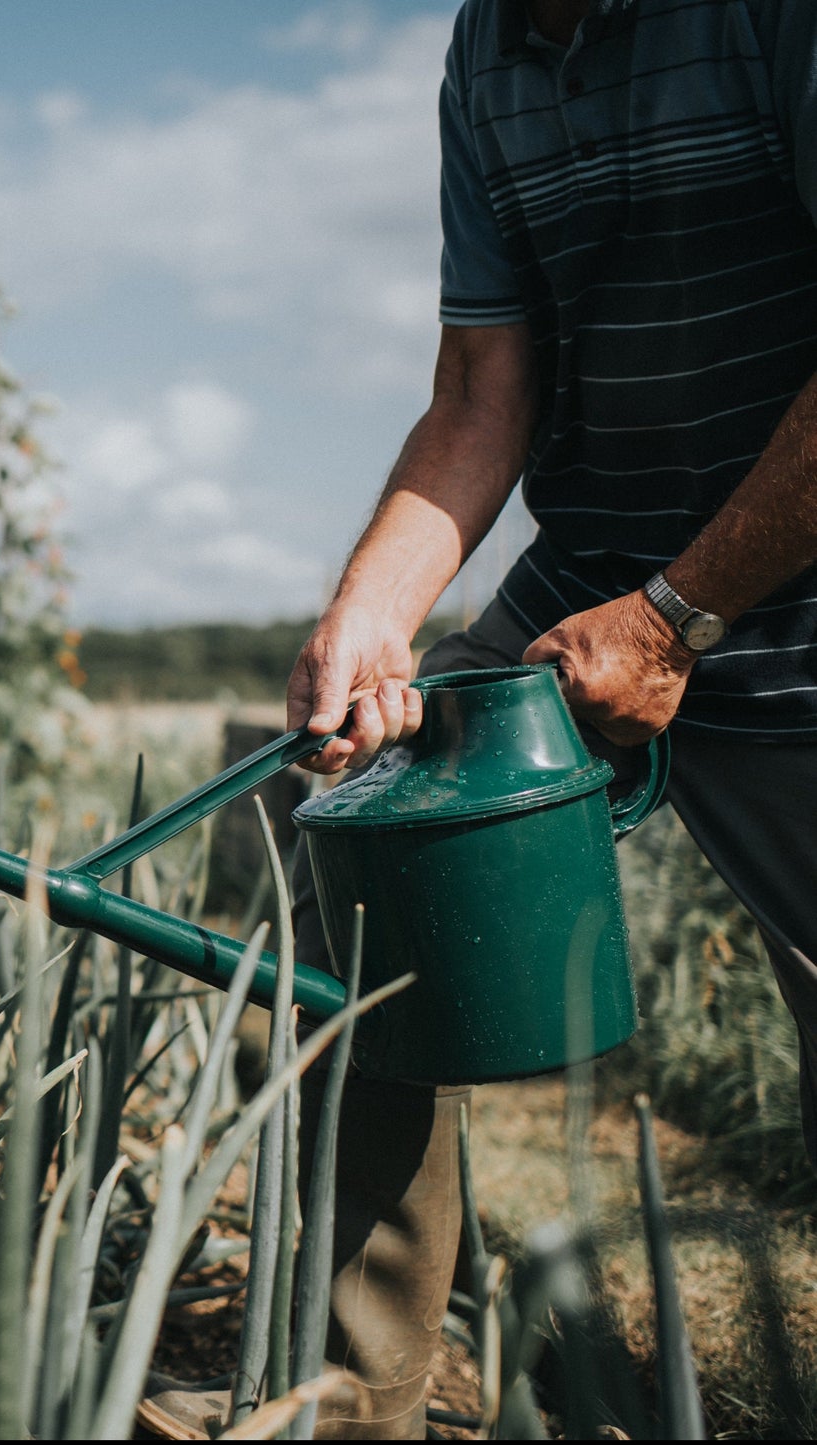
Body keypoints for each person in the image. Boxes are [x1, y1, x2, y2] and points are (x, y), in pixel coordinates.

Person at [141, 0, 817, 1437]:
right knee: (350, 867)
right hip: (590, 585)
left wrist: (679, 615)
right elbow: (475, 390)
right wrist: (369, 614)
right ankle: (344, 1399)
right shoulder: (491, 49)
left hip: (789, 586)